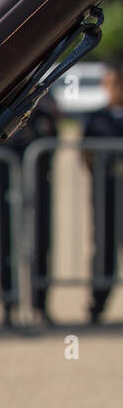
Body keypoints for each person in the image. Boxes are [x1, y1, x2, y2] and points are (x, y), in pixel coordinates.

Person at [0, 95, 58, 327]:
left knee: (41, 242)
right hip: (6, 180)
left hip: (38, 181)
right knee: (6, 243)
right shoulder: (2, 96)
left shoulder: (46, 99)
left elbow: (52, 138)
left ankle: (40, 304)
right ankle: (8, 305)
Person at [82, 63, 123, 324]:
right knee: (104, 246)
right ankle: (98, 304)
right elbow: (86, 153)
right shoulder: (96, 117)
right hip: (106, 191)